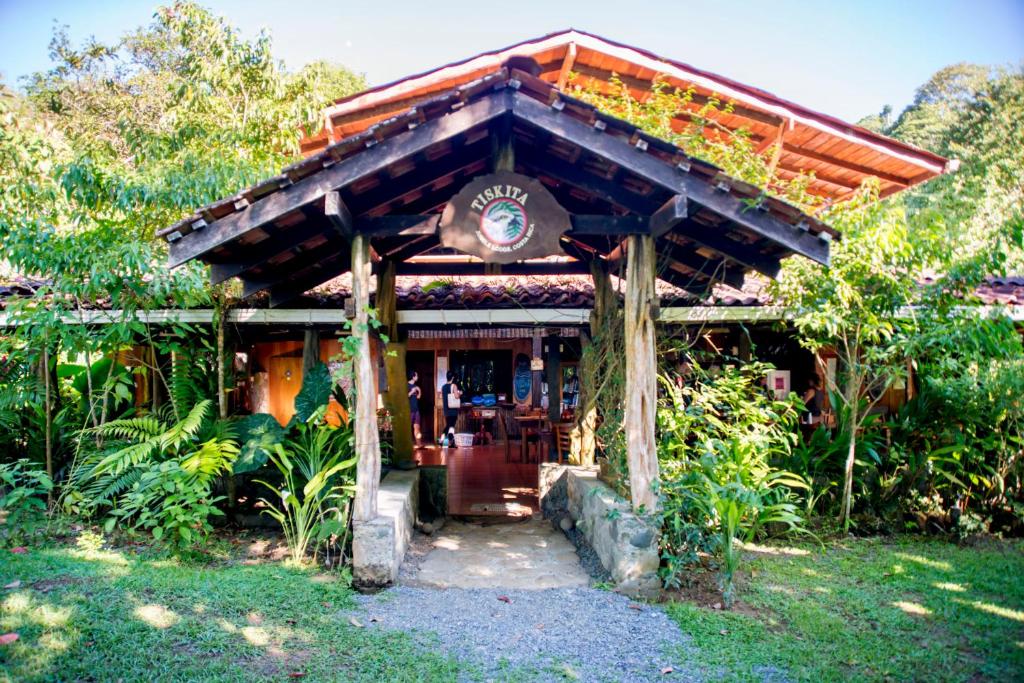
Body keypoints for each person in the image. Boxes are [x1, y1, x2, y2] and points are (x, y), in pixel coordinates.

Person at [440, 370, 461, 447]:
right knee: (451, 426)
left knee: (448, 425)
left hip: (446, 409)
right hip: (452, 410)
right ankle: (451, 442)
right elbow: (456, 396)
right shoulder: (454, 386)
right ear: (452, 377)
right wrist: (460, 393)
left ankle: (442, 440)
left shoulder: (443, 387)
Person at [407, 370, 422, 448]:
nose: (417, 377)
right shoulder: (407, 385)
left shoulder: (416, 386)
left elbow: (418, 397)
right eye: (416, 376)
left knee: (417, 427)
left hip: (416, 409)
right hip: (409, 410)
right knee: (407, 427)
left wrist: (419, 391)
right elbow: (405, 397)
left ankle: (419, 444)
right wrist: (411, 391)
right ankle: (407, 445)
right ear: (413, 377)